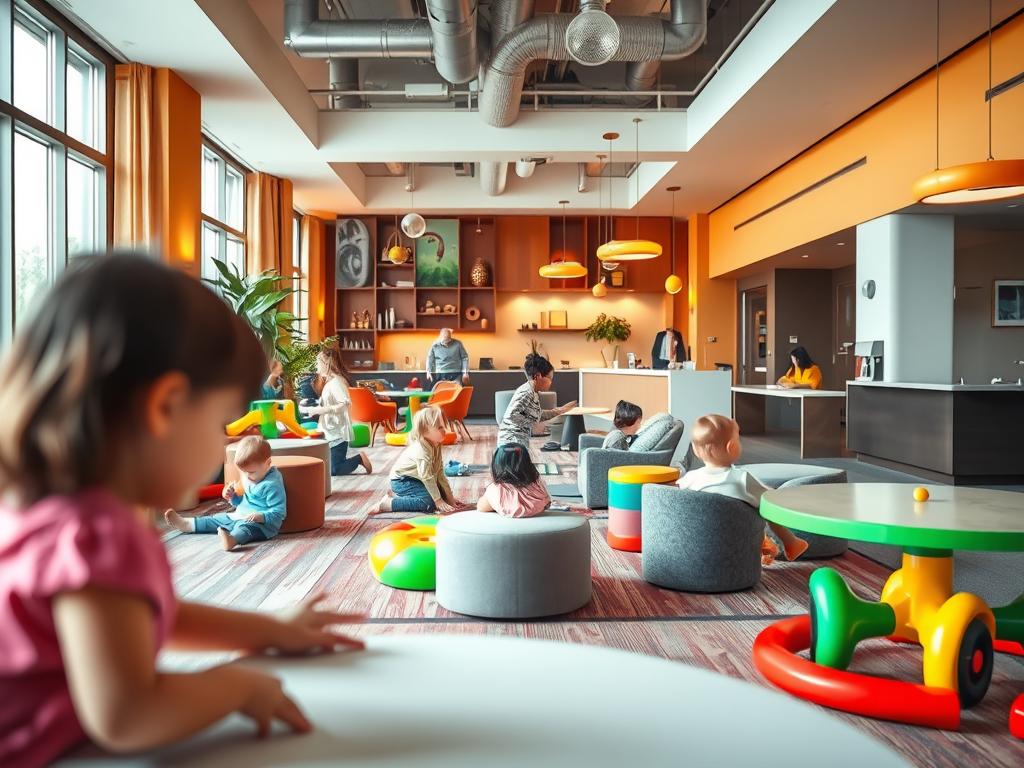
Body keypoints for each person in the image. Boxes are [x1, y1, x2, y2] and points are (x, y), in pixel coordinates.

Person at [0, 254, 363, 767]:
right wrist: (236, 686)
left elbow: (147, 616)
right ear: (165, 408)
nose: (225, 441)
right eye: (220, 420)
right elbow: (126, 716)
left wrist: (268, 629)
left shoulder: (45, 512)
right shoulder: (98, 536)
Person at [677, 414, 808, 565]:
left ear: (695, 450)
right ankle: (790, 542)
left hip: (699, 546)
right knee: (766, 508)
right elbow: (770, 497)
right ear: (731, 446)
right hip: (739, 545)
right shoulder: (742, 479)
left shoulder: (690, 478)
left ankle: (768, 544)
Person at [165, 436, 286, 552]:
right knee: (216, 519)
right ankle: (188, 524)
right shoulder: (249, 476)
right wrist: (232, 496)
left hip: (262, 525)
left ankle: (232, 540)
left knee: (244, 529)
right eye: (243, 472)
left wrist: (262, 516)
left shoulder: (272, 485)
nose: (247, 476)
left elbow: (279, 512)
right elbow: (241, 502)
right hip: (239, 515)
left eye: (251, 472)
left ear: (268, 463)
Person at [370, 406, 471, 515]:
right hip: (402, 480)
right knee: (428, 504)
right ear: (425, 430)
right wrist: (438, 501)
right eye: (440, 427)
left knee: (439, 495)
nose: (445, 430)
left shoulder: (436, 445)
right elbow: (427, 477)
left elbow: (439, 474)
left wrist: (449, 498)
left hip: (417, 477)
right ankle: (387, 504)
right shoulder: (421, 450)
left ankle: (412, 497)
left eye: (444, 427)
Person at [301, 345, 372, 476]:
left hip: (337, 433)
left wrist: (320, 410)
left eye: (318, 363)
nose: (317, 367)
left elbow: (344, 404)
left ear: (326, 363)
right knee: (329, 467)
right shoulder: (330, 382)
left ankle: (359, 458)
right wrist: (315, 409)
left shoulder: (336, 383)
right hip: (330, 431)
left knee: (334, 470)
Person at [497, 353, 577, 447]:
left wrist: (559, 410)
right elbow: (512, 415)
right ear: (538, 376)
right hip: (510, 444)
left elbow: (537, 415)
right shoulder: (527, 392)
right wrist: (533, 426)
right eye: (550, 378)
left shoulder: (534, 392)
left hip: (519, 442)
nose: (551, 382)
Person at [477, 444, 551, 518]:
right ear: (527, 463)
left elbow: (481, 507)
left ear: (497, 465)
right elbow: (546, 504)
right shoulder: (538, 486)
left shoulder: (495, 490)